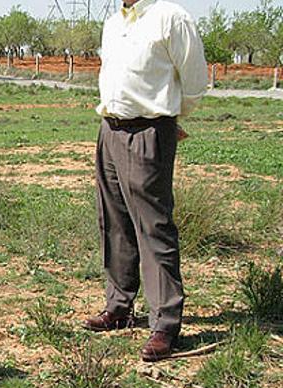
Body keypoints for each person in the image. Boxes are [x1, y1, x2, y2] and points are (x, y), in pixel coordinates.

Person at [83, 0, 208, 361]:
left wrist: (165, 122)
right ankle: (120, 306)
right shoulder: (113, 23)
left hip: (148, 130)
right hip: (110, 129)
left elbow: (195, 82)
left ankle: (165, 324)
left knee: (153, 226)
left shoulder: (170, 17)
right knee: (115, 221)